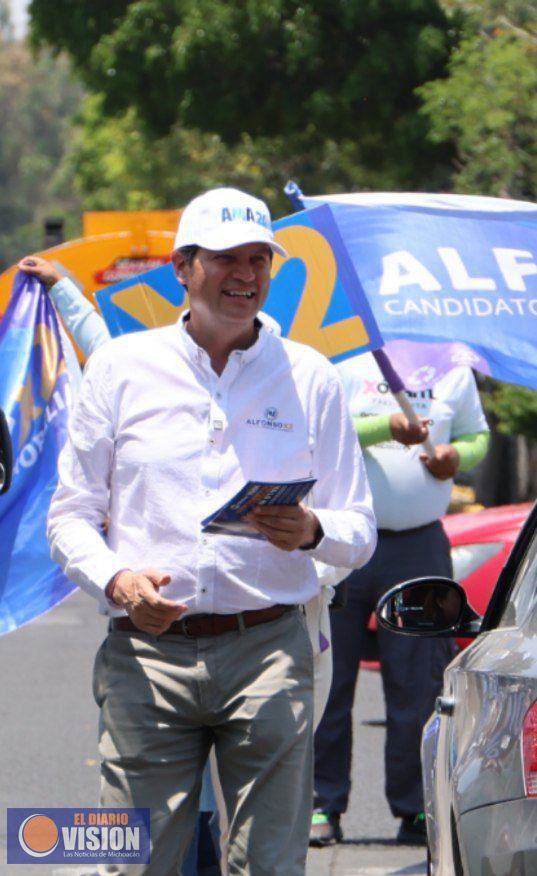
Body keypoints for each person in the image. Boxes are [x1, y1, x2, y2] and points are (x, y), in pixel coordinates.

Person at [46, 187, 376, 875]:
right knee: (131, 863)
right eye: (227, 258)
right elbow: (71, 516)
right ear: (183, 267)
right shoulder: (120, 369)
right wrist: (119, 580)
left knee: (269, 865)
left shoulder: (311, 377)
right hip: (147, 653)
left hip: (269, 649)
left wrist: (312, 529)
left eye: (260, 259)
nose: (246, 275)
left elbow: (359, 530)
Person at [310, 352, 489, 847]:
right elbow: (323, 425)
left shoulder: (454, 365)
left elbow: (478, 436)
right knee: (330, 679)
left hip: (419, 544)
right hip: (344, 543)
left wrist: (458, 457)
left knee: (419, 684)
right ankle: (322, 803)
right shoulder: (346, 357)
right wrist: (386, 426)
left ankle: (416, 808)